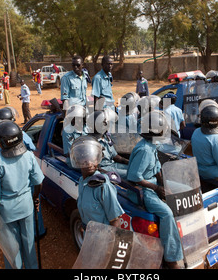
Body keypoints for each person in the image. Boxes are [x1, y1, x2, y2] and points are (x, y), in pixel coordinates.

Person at [126, 111, 183, 269]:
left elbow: (156, 168)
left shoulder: (152, 145)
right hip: (143, 191)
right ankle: (171, 258)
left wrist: (164, 182)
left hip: (152, 186)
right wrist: (157, 187)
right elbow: (134, 177)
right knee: (167, 213)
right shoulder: (144, 150)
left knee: (183, 191)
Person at [0, 121, 44, 269]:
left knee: (12, 249)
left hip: (7, 212)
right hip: (26, 206)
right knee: (29, 243)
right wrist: (35, 197)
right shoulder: (29, 156)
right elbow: (38, 183)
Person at [70, 136, 124, 229]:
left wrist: (112, 241)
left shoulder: (103, 186)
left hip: (103, 235)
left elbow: (115, 221)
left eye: (93, 158)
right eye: (85, 159)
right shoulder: (82, 181)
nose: (90, 163)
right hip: (90, 232)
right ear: (78, 160)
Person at [87, 110, 129, 179]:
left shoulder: (106, 137)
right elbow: (93, 167)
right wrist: (108, 174)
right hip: (104, 168)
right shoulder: (90, 142)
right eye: (106, 123)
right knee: (131, 174)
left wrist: (129, 162)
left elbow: (116, 156)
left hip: (113, 164)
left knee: (134, 169)